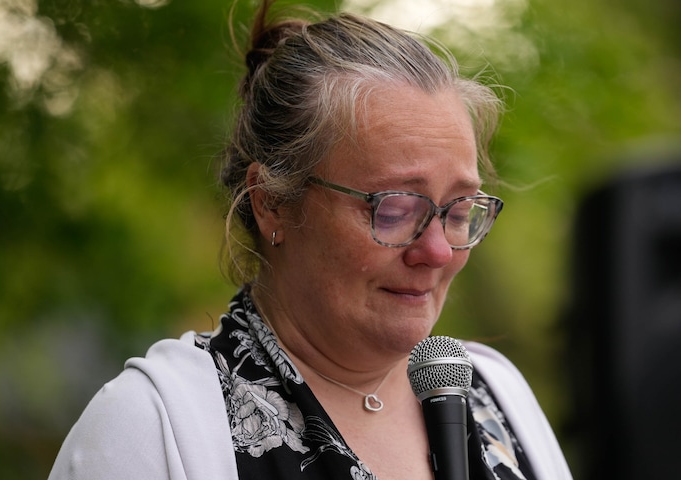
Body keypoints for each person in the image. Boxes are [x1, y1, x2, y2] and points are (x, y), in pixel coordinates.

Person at [48, 1, 572, 479]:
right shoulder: (153, 427)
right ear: (272, 201)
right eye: (393, 208)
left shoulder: (496, 399)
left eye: (458, 211)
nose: (437, 252)